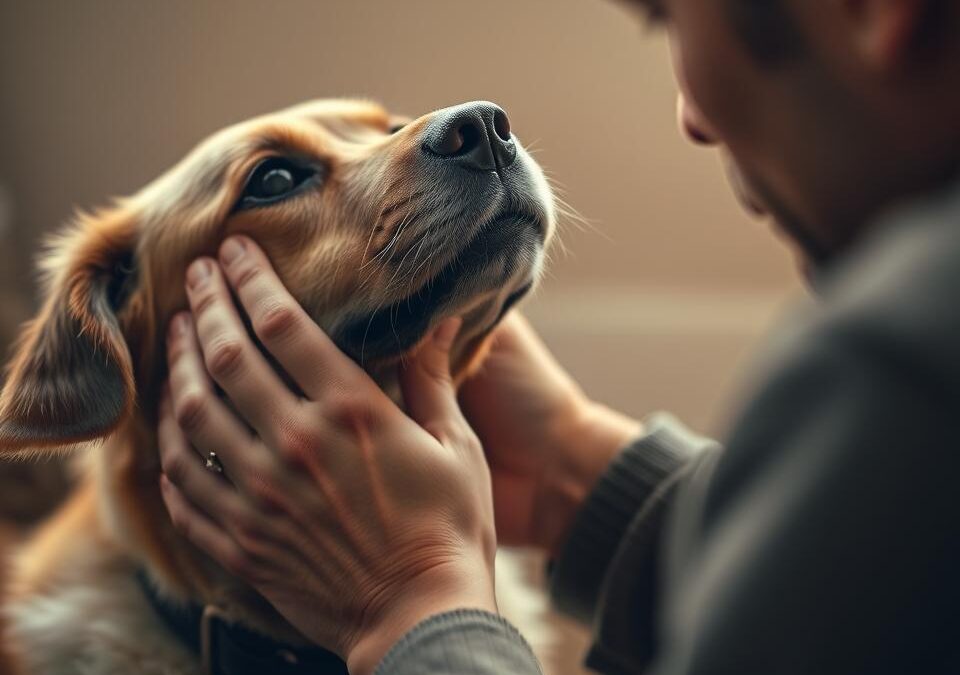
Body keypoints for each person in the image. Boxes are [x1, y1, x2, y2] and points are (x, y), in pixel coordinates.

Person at [157, 0, 960, 673]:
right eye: (278, 180)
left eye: (666, 15)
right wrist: (573, 473)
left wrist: (411, 602)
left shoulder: (899, 377)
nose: (691, 117)